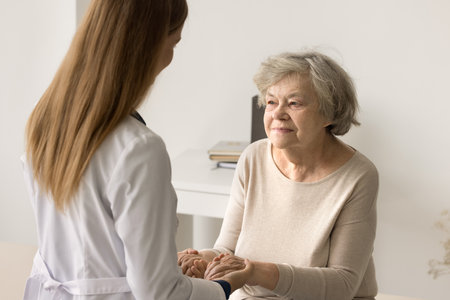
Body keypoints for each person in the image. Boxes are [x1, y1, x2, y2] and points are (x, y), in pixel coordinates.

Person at [22, 1, 252, 299]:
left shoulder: (46, 121)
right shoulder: (139, 149)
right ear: (148, 47)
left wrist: (160, 261)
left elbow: (90, 243)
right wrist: (224, 286)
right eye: (174, 44)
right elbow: (159, 292)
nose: (170, 58)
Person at [178, 50, 379, 299]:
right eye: (271, 102)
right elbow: (226, 249)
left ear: (329, 113)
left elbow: (343, 284)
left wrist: (254, 272)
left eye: (294, 103)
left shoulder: (358, 175)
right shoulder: (252, 157)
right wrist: (203, 260)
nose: (278, 114)